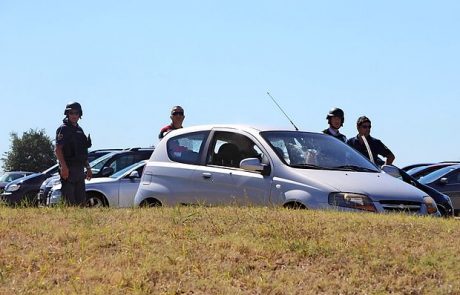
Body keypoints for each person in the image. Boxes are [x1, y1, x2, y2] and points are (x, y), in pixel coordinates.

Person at [55, 102, 92, 206]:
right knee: (69, 202)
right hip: (68, 168)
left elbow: (83, 151)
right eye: (71, 113)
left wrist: (88, 168)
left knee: (81, 202)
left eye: (76, 113)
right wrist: (64, 167)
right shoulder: (64, 129)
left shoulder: (80, 130)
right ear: (67, 114)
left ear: (80, 115)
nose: (74, 115)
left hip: (79, 169)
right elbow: (58, 149)